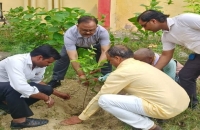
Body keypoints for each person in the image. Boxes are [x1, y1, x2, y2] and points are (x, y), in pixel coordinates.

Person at [60, 45, 190, 130]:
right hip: (183, 101)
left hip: (167, 109)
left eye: (110, 61)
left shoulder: (121, 73)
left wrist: (81, 117)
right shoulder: (141, 64)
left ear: (117, 58)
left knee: (104, 100)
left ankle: (149, 126)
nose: (110, 64)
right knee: (125, 95)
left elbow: (100, 96)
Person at [137, 10, 200, 108]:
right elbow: (166, 56)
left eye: (144, 25)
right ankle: (192, 106)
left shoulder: (184, 19)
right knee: (185, 76)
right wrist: (151, 71)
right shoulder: (166, 36)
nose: (145, 29)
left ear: (153, 21)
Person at [0, 45, 70, 129]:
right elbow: (19, 86)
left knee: (46, 89)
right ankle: (19, 122)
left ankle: (8, 106)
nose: (49, 65)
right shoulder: (16, 61)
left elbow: (38, 81)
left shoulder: (39, 66)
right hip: (5, 87)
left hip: (7, 90)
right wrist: (45, 97)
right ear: (40, 58)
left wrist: (58, 93)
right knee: (13, 88)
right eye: (48, 62)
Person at [48, 15, 112, 88]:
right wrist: (81, 74)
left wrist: (98, 67)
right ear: (77, 26)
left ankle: (107, 77)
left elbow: (105, 51)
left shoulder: (102, 31)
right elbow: (73, 57)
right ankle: (56, 79)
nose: (88, 32)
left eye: (91, 30)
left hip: (95, 44)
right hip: (76, 44)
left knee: (109, 54)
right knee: (63, 56)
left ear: (96, 27)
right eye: (84, 30)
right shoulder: (70, 33)